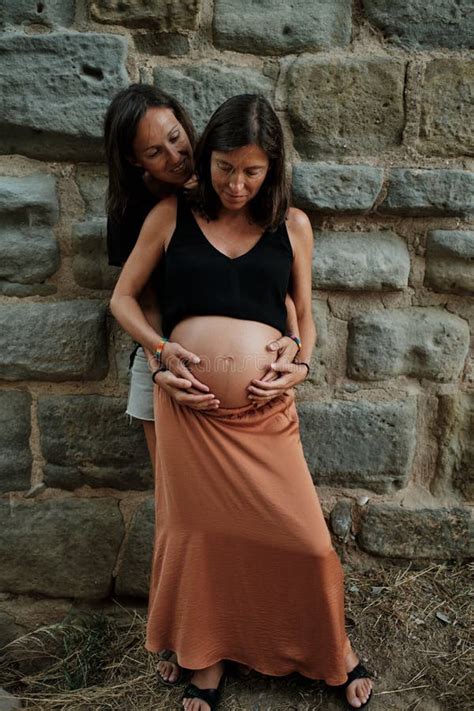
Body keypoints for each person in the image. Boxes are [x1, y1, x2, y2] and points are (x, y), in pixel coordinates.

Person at [110, 94, 373, 710]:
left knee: (307, 540)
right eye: (225, 167)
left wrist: (299, 366)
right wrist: (159, 354)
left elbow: (304, 317)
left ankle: (333, 650)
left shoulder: (293, 225)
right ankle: (206, 658)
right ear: (209, 158)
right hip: (189, 413)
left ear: (272, 167)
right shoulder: (170, 214)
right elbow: (124, 299)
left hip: (264, 416)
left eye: (251, 171)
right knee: (200, 535)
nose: (236, 183)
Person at [104, 85, 301, 683]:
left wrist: (294, 349)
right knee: (181, 519)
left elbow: (276, 289)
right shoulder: (140, 213)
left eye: (175, 137)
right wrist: (164, 360)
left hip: (236, 394)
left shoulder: (232, 190)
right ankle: (191, 643)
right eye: (155, 151)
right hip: (161, 368)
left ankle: (236, 631)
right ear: (135, 162)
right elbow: (140, 302)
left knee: (244, 521)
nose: (173, 154)